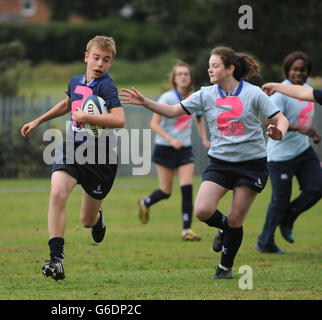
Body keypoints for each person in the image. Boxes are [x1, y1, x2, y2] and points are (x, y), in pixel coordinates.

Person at [121, 46, 289, 279]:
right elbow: (171, 111)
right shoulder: (205, 94)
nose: (209, 69)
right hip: (220, 163)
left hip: (252, 165)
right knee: (202, 210)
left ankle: (224, 268)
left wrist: (279, 132)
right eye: (209, 65)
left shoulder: (253, 93)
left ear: (230, 69)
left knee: (236, 218)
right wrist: (145, 101)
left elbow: (281, 118)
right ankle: (223, 228)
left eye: (215, 65)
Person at [21, 35, 124, 281]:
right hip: (72, 148)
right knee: (57, 192)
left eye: (106, 60)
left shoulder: (106, 86)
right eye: (96, 58)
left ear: (110, 63)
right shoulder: (76, 81)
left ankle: (98, 220)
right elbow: (68, 104)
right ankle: (56, 260)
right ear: (86, 56)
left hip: (100, 154)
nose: (100, 64)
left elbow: (118, 119)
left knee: (86, 220)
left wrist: (88, 118)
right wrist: (38, 120)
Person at [256, 52, 322, 253]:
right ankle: (265, 242)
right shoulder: (282, 93)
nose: (298, 73)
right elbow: (269, 121)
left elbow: (305, 107)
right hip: (280, 155)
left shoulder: (309, 91)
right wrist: (299, 128)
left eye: (302, 69)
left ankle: (288, 218)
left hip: (302, 151)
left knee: (316, 188)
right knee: (279, 200)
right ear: (287, 70)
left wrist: (309, 132)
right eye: (294, 69)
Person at [138, 60, 210, 241]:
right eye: (180, 74)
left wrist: (204, 139)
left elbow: (199, 119)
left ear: (190, 78)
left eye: (186, 73)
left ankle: (187, 229)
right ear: (174, 79)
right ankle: (146, 202)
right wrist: (170, 139)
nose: (183, 76)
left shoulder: (195, 97)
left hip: (184, 149)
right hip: (165, 148)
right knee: (166, 191)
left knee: (187, 188)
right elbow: (154, 124)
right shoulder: (167, 98)